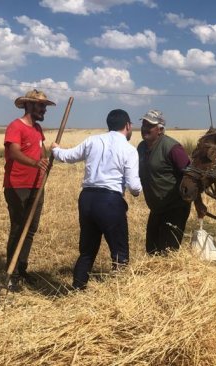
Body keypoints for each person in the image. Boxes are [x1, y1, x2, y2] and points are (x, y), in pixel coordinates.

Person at [51, 109, 141, 290]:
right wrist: (138, 191)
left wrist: (55, 150)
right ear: (128, 126)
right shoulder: (129, 150)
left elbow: (69, 156)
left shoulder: (93, 140)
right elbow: (134, 186)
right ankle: (120, 290)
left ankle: (77, 287)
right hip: (110, 201)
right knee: (119, 251)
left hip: (87, 199)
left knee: (87, 249)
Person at [3, 89, 55, 292]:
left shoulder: (38, 128)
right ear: (28, 105)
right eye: (40, 105)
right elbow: (14, 152)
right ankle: (11, 274)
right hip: (17, 185)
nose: (44, 109)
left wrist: (46, 159)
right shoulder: (15, 127)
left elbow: (41, 149)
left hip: (37, 185)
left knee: (30, 229)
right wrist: (35, 163)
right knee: (18, 229)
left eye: (44, 106)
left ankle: (22, 269)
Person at [137, 109, 192, 255]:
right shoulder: (141, 148)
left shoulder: (173, 148)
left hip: (175, 207)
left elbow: (190, 175)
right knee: (152, 249)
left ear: (160, 129)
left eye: (150, 126)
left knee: (168, 251)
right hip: (156, 208)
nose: (145, 129)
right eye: (143, 125)